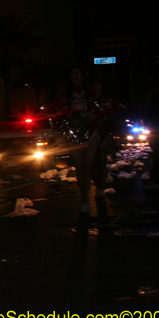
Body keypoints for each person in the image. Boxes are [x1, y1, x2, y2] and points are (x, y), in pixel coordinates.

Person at [44, 67, 126, 224]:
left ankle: (98, 190)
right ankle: (85, 200)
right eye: (71, 73)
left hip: (94, 133)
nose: (73, 76)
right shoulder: (66, 94)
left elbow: (111, 108)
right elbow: (59, 111)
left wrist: (95, 115)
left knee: (94, 165)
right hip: (75, 134)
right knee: (80, 168)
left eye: (76, 73)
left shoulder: (93, 92)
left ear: (83, 75)